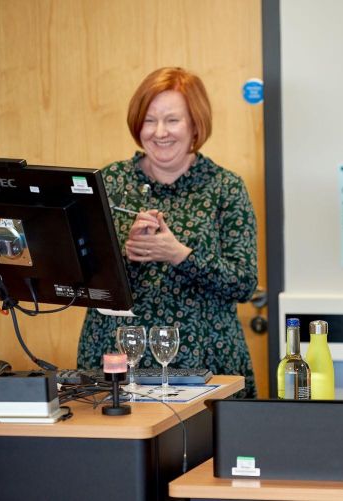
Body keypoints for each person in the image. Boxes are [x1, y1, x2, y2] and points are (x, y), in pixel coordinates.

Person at [78, 67, 259, 398]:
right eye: (149, 120)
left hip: (206, 363)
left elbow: (244, 283)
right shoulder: (110, 183)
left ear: (195, 125)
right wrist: (125, 254)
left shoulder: (225, 188)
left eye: (172, 120)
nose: (159, 132)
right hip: (118, 363)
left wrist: (180, 255)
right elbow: (80, 280)